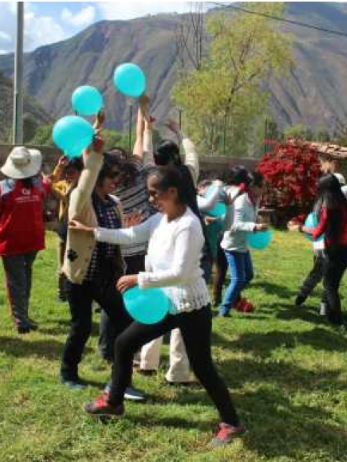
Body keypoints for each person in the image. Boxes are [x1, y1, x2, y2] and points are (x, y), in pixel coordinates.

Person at [71, 165, 245, 447]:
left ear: (173, 192)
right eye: (150, 194)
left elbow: (181, 272)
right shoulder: (161, 219)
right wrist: (93, 232)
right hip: (166, 303)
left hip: (190, 306)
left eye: (155, 193)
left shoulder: (188, 225)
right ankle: (114, 402)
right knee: (124, 343)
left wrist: (138, 278)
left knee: (202, 367)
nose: (151, 199)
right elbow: (132, 235)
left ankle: (232, 422)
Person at [59, 115, 136, 393]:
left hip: (105, 274)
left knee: (124, 322)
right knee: (80, 328)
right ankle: (68, 373)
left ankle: (119, 376)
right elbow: (86, 177)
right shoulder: (80, 201)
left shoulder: (114, 204)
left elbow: (115, 237)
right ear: (100, 178)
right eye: (113, 177)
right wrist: (95, 147)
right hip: (80, 276)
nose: (116, 182)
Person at [136, 117, 202, 384]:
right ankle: (177, 371)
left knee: (155, 302)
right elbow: (193, 154)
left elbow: (145, 159)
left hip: (159, 243)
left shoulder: (156, 179)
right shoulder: (189, 174)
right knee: (183, 307)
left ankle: (147, 361)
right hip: (188, 244)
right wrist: (181, 131)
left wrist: (148, 130)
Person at [98, 95, 157, 368]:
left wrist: (97, 126)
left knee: (115, 299)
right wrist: (142, 111)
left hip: (119, 248)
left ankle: (112, 347)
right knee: (128, 298)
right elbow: (139, 140)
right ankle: (120, 347)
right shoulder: (136, 175)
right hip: (136, 248)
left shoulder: (108, 185)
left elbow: (92, 154)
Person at [0, 147, 51, 334]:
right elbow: (47, 185)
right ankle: (23, 316)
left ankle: (21, 320)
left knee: (16, 280)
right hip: (33, 238)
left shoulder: (3, 187)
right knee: (25, 276)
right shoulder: (38, 185)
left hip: (11, 240)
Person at [294, 170, 347, 315]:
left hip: (333, 250)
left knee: (327, 283)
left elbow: (316, 232)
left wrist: (300, 228)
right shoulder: (343, 202)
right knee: (331, 283)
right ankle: (324, 311)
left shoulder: (328, 205)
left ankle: (334, 318)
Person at [218, 167, 267, 317]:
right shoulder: (240, 202)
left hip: (243, 245)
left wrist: (255, 219)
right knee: (239, 279)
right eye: (261, 185)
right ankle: (223, 310)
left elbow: (248, 217)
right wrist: (255, 226)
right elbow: (234, 224)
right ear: (252, 187)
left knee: (249, 275)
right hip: (233, 245)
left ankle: (231, 296)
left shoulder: (255, 200)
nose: (264, 188)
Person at [50, 155, 84, 301]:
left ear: (80, 172)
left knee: (78, 262)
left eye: (72, 172)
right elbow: (49, 183)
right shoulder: (64, 185)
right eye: (67, 172)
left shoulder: (86, 187)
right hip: (64, 230)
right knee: (62, 264)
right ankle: (61, 293)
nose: (68, 175)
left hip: (81, 231)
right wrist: (59, 167)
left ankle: (78, 292)